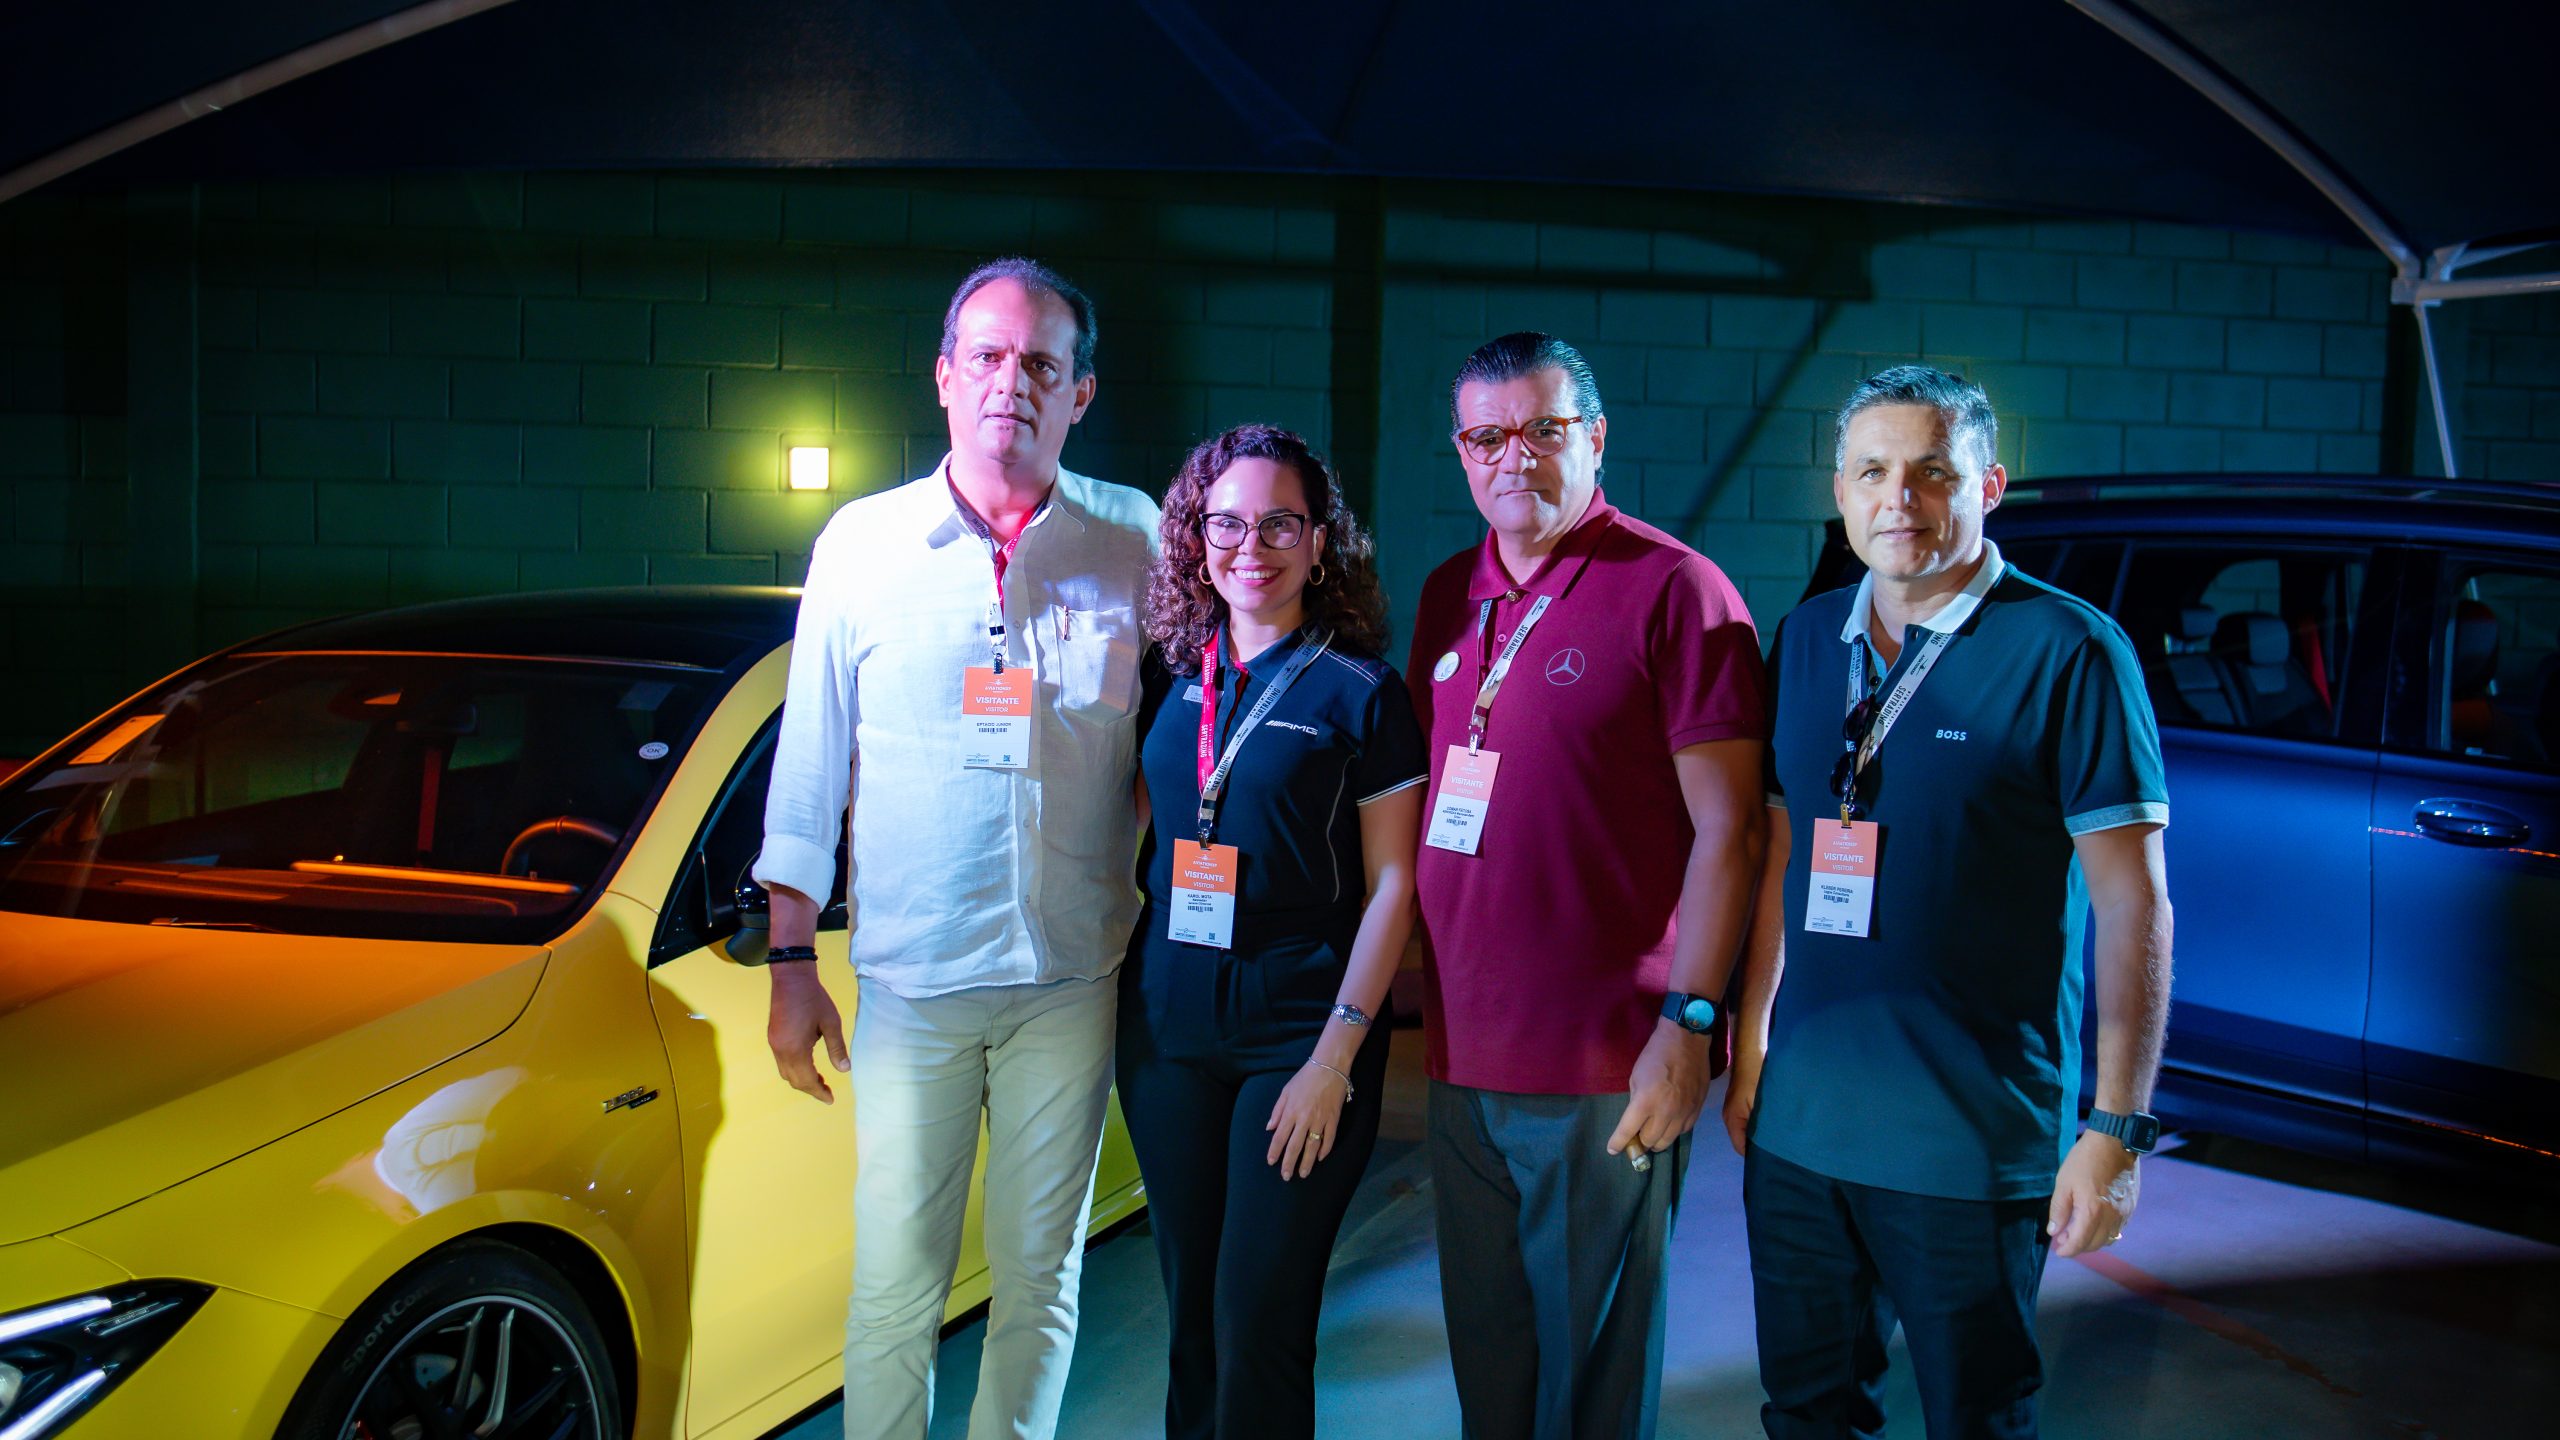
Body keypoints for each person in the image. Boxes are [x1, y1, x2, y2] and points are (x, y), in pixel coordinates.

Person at [1724, 365, 2174, 1440]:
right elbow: (1782, 857)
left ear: (1989, 487)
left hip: (1968, 1146)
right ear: (1838, 490)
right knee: (1805, 1416)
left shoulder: (2068, 650)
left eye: (1932, 472)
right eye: (1873, 471)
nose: (1900, 499)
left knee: (1977, 1421)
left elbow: (2133, 905)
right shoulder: (1807, 638)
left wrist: (2115, 1129)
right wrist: (1750, 1049)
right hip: (1802, 1136)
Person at [756, 257, 1158, 1440]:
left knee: (1042, 1278)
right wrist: (791, 961)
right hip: (915, 981)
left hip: (1069, 977)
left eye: (1039, 362)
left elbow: (1175, 740)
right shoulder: (863, 544)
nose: (1008, 382)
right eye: (985, 355)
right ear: (943, 376)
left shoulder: (1134, 538)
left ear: (1079, 392)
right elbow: (810, 763)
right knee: (895, 1286)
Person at [1406, 332, 1769, 1439]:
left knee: (1591, 1390)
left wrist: (1690, 1024)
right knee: (1493, 1377)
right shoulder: (1448, 594)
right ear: (1461, 451)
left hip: (1606, 1065)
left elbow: (1733, 831)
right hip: (1461, 1058)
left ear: (1595, 437)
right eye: (1488, 436)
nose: (1513, 456)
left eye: (1543, 429)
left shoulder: (1676, 590)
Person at [1118, 423, 1427, 1439]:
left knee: (1259, 1323)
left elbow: (1393, 888)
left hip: (1299, 1030)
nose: (1251, 547)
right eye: (1228, 524)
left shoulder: (1361, 691)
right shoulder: (1169, 676)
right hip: (1167, 1030)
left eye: (1280, 524)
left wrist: (1336, 1058)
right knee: (1193, 1324)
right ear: (1196, 538)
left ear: (1320, 540)